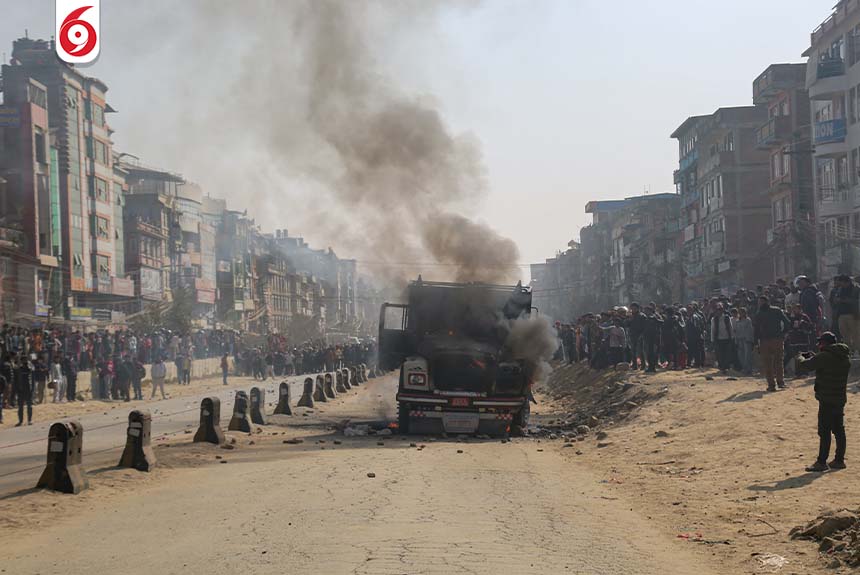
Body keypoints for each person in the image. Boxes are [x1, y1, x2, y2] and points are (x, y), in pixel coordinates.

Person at [796, 332, 850, 472]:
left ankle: (821, 462)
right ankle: (839, 460)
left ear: (825, 343)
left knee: (824, 431)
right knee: (839, 429)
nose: (819, 345)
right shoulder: (844, 356)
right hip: (839, 398)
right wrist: (817, 357)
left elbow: (806, 366)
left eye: (821, 343)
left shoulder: (824, 356)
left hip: (827, 399)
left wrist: (800, 357)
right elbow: (825, 363)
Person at [754, 295, 791, 391]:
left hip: (766, 341)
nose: (760, 304)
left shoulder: (759, 314)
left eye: (760, 302)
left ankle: (772, 385)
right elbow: (787, 323)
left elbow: (756, 330)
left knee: (769, 363)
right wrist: (783, 334)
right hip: (776, 339)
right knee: (777, 362)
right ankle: (779, 383)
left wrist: (757, 342)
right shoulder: (776, 310)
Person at [833, 274, 860, 355]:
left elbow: (856, 301)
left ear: (847, 282)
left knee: (856, 334)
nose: (841, 285)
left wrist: (844, 300)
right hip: (841, 315)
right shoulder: (839, 290)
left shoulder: (856, 289)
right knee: (844, 335)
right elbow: (835, 299)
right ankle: (848, 351)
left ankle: (857, 351)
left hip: (853, 314)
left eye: (842, 283)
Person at [711, 304, 734, 373]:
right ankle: (722, 367)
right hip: (718, 339)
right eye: (718, 310)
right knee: (719, 354)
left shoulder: (727, 318)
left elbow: (730, 328)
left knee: (727, 354)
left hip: (727, 338)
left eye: (720, 309)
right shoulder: (714, 319)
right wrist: (712, 339)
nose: (719, 311)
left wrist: (732, 337)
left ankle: (726, 367)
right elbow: (713, 329)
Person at [13, 355, 33, 426]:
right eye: (23, 360)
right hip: (21, 390)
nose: (25, 362)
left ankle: (29, 420)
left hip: (28, 389)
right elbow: (16, 379)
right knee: (20, 406)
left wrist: (28, 365)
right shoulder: (19, 370)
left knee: (29, 406)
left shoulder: (29, 368)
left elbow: (31, 372)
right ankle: (20, 421)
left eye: (26, 360)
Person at [734, 308, 754, 375]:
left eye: (742, 312)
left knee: (747, 355)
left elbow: (750, 330)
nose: (741, 314)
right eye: (740, 312)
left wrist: (749, 339)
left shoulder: (748, 320)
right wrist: (736, 340)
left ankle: (749, 369)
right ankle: (744, 368)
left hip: (746, 339)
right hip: (739, 339)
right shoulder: (737, 321)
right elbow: (736, 331)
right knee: (740, 355)